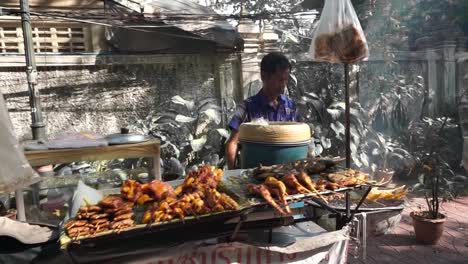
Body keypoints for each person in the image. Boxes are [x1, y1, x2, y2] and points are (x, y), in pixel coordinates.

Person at [225, 52, 298, 169]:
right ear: (264, 76)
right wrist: (232, 173)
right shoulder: (247, 107)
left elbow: (298, 140)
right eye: (279, 80)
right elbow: (233, 143)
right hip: (253, 175)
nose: (283, 85)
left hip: (286, 176)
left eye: (286, 80)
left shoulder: (290, 107)